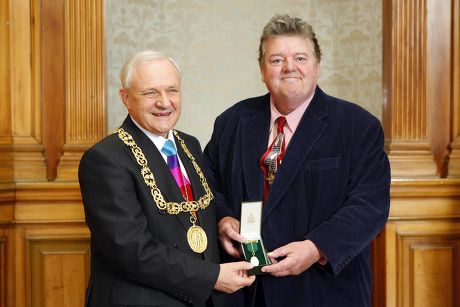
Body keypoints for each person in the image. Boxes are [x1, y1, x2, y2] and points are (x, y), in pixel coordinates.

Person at [203, 14, 390, 307]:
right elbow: (207, 183)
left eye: (300, 58)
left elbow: (369, 205)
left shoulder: (358, 126)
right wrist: (222, 219)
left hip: (322, 290)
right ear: (262, 70)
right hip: (244, 292)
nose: (289, 67)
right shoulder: (231, 122)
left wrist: (317, 248)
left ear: (317, 66)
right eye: (277, 60)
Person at [78, 50, 255, 307]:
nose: (164, 102)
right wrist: (211, 277)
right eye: (151, 93)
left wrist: (222, 221)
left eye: (172, 90)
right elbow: (132, 250)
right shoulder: (105, 159)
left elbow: (192, 210)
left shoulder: (189, 145)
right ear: (125, 98)